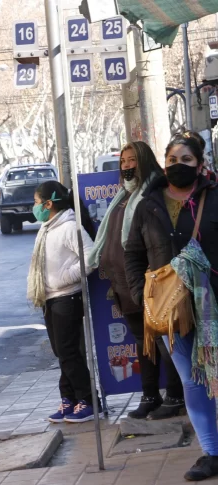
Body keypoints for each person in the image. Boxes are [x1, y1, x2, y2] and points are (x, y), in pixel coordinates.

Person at [125, 131, 218, 481]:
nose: (178, 166)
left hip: (214, 307)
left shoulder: (214, 198)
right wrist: (141, 295)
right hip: (169, 312)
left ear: (200, 164)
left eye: (186, 160)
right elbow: (133, 253)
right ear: (164, 164)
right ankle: (212, 453)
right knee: (193, 382)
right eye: (172, 160)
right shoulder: (148, 205)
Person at [88, 142, 185, 420]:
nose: (127, 165)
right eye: (123, 161)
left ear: (144, 161)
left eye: (132, 160)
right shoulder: (122, 197)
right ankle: (150, 395)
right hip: (125, 287)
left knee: (165, 345)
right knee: (144, 345)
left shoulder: (154, 194)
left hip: (154, 285)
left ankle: (175, 395)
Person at [27, 181, 99, 423]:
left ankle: (88, 400)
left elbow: (91, 258)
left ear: (49, 204)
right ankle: (69, 398)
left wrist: (64, 279)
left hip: (67, 297)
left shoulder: (69, 227)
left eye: (37, 203)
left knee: (69, 353)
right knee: (62, 352)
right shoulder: (47, 228)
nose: (34, 207)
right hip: (50, 298)